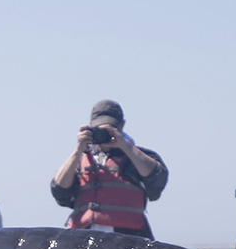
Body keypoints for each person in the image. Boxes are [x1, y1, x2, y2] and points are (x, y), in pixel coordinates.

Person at [50, 100, 168, 239]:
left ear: (122, 125)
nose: (105, 133)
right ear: (91, 126)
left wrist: (125, 145)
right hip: (84, 239)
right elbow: (60, 193)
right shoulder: (79, 160)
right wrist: (78, 150)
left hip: (129, 241)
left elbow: (157, 179)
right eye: (99, 128)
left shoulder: (139, 157)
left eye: (111, 127)